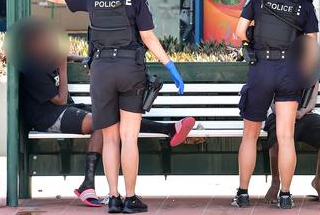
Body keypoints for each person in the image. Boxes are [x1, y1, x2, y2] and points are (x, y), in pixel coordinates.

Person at [6, 0, 186, 214]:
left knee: (111, 138)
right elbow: (148, 37)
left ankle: (113, 198)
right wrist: (170, 66)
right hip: (130, 70)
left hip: (101, 70)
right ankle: (131, 198)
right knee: (128, 137)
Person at [14, 19, 195, 208]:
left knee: (109, 117)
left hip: (64, 110)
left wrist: (85, 60)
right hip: (48, 117)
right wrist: (63, 68)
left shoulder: (43, 57)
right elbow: (59, 99)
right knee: (104, 121)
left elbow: (65, 57)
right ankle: (88, 183)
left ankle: (169, 129)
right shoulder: (32, 69)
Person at [233, 0, 319, 209]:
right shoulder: (304, 2)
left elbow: (240, 31)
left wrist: (255, 37)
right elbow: (311, 47)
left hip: (261, 68)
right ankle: (285, 195)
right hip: (288, 70)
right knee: (285, 136)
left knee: (250, 134)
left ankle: (242, 194)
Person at [262, 84, 320, 204]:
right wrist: (287, 114)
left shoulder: (309, 68)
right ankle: (275, 182)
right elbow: (272, 101)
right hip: (279, 114)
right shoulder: (277, 66)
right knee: (275, 139)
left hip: (306, 114)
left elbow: (312, 100)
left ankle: (319, 182)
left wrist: (302, 112)